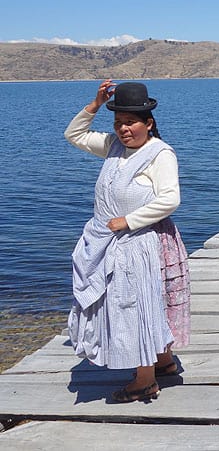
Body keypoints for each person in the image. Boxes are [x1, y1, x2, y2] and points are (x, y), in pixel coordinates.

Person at [65, 79, 190, 403]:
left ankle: (144, 381)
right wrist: (94, 104)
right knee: (147, 303)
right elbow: (74, 135)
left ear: (148, 123)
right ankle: (163, 362)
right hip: (112, 240)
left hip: (139, 241)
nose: (124, 129)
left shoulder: (159, 154)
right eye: (119, 122)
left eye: (131, 122)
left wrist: (129, 220)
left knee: (134, 308)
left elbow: (170, 198)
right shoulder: (113, 146)